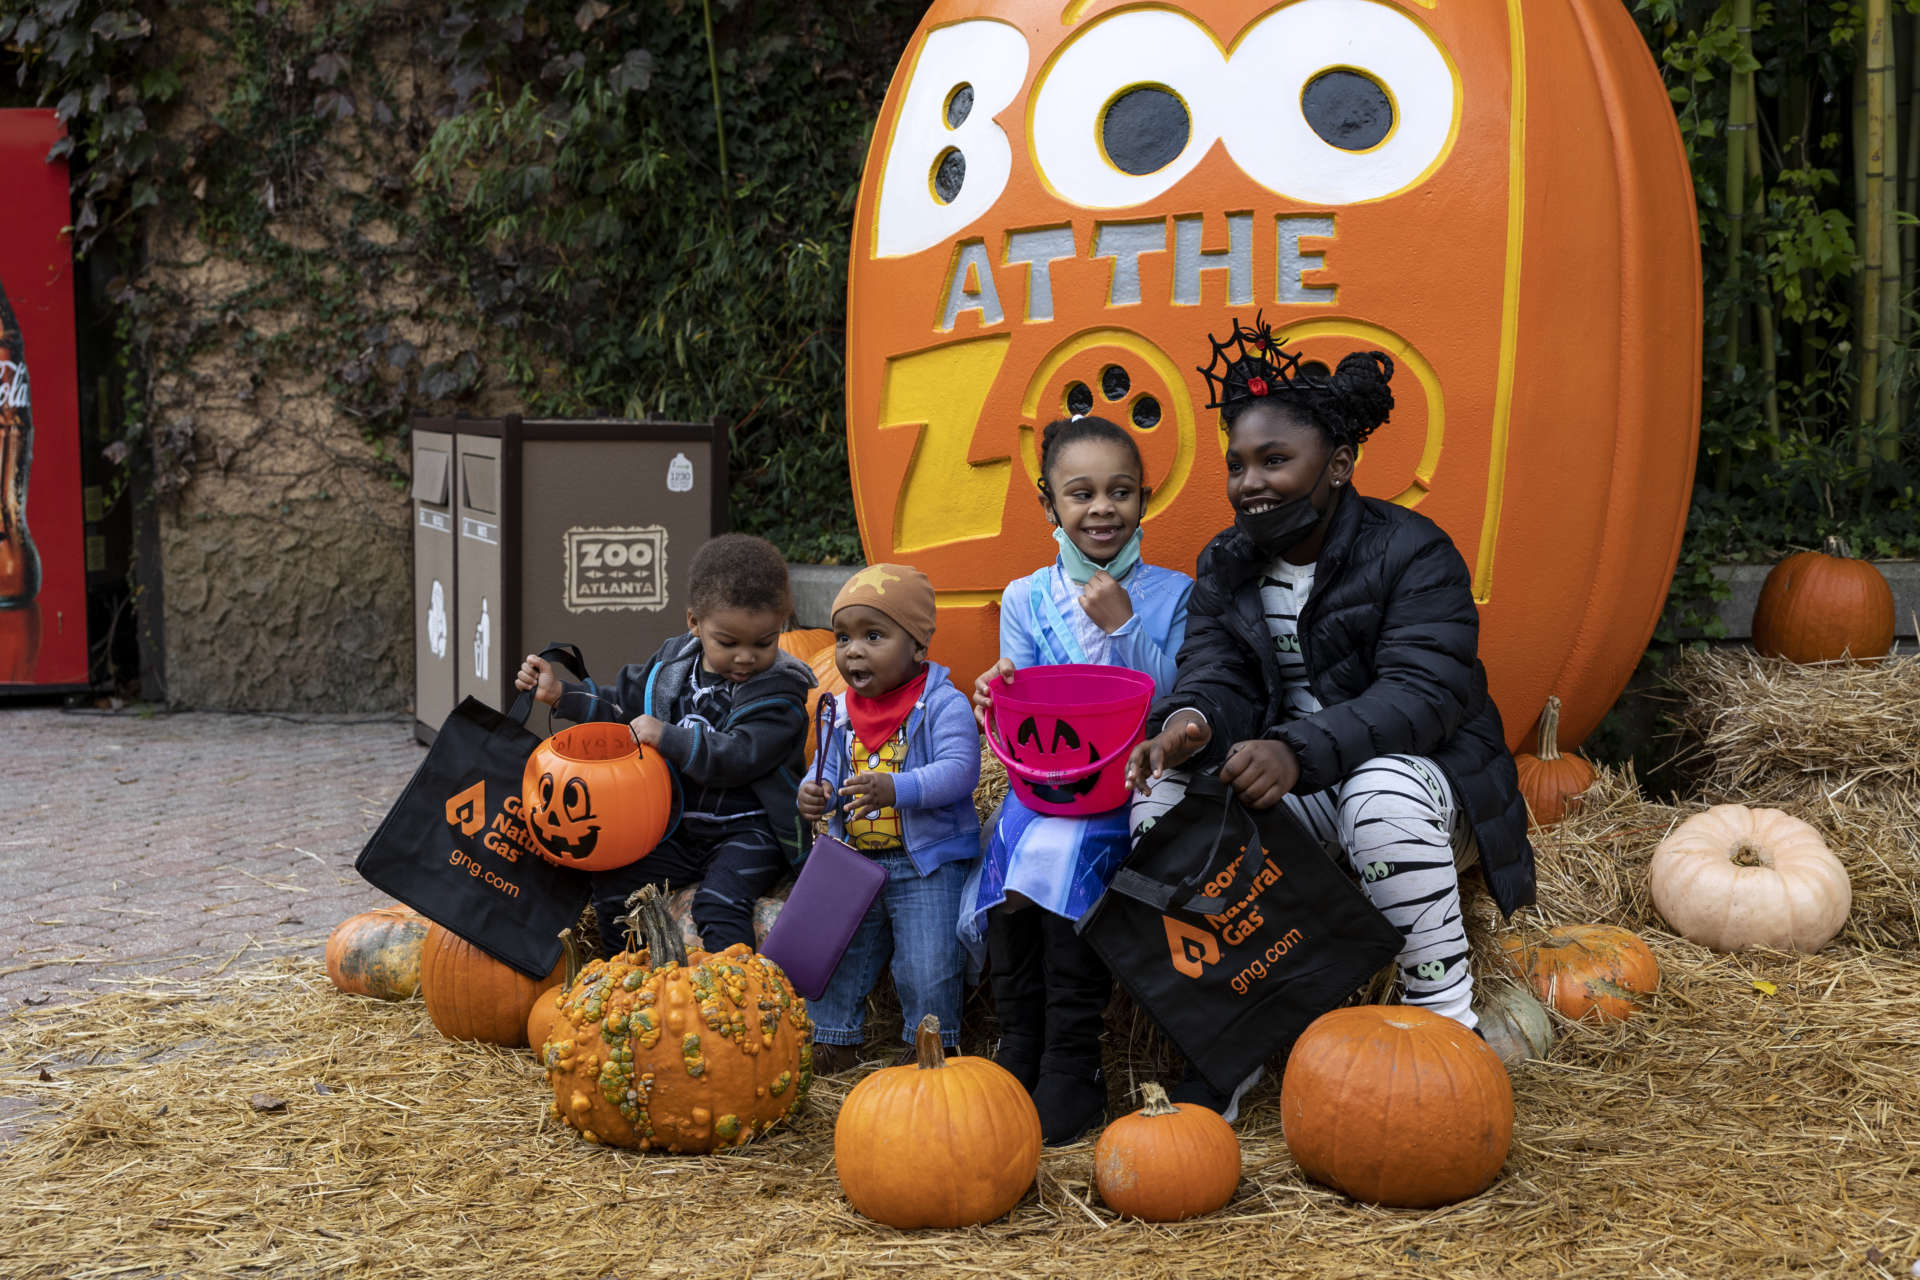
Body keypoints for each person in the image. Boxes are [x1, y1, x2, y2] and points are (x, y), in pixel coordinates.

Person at [1126, 315, 1537, 1120]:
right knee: (1163, 798)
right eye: (1238, 464)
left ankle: (1447, 1027)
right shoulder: (1228, 561)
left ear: (1339, 465)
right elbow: (1215, 674)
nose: (1252, 482)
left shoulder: (1414, 552)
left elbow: (1424, 695)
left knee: (1377, 790)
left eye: (1277, 460)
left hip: (1421, 780)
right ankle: (1230, 1040)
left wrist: (1293, 749)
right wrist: (1192, 726)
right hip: (1301, 778)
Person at [965, 415, 1192, 1144]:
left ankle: (1072, 1062)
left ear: (1144, 500)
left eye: (1120, 492)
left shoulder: (1172, 597)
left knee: (1062, 863)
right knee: (1008, 869)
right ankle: (1018, 1044)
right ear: (1048, 504)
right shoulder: (1026, 598)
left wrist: (1126, 627)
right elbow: (1029, 704)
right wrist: (994, 696)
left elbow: (1181, 698)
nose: (1102, 509)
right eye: (1082, 493)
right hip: (1046, 785)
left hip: (1124, 784)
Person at [513, 533, 814, 956]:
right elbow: (623, 706)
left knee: (719, 903)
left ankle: (740, 997)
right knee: (617, 886)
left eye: (763, 643)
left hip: (748, 830)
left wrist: (666, 735)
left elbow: (740, 755)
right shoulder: (673, 665)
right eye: (728, 642)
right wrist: (561, 694)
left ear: (780, 626)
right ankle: (626, 977)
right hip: (675, 826)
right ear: (694, 622)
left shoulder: (779, 695)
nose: (746, 657)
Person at [798, 564, 981, 1074]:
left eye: (873, 635)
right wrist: (814, 794)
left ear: (918, 646)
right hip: (853, 864)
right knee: (841, 954)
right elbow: (823, 770)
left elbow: (961, 771)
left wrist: (896, 788)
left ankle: (930, 1042)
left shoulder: (942, 703)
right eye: (843, 637)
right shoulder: (836, 709)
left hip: (925, 866)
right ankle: (834, 1037)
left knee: (927, 963)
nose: (853, 650)